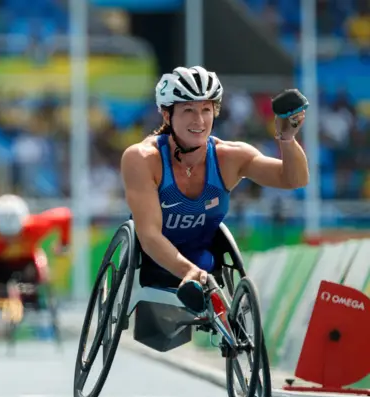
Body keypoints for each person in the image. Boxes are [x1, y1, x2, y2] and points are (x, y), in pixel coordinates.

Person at [120, 66, 309, 312]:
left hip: (205, 261)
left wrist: (287, 139)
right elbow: (149, 236)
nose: (199, 121)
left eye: (206, 110)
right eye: (188, 110)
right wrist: (188, 271)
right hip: (152, 261)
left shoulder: (230, 157)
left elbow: (293, 180)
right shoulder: (142, 158)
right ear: (167, 116)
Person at [0, 194, 71, 299]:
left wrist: (63, 244)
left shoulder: (35, 227)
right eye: (4, 234)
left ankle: (34, 307)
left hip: (29, 263)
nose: (10, 239)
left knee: (36, 278)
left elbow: (65, 215)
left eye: (14, 234)